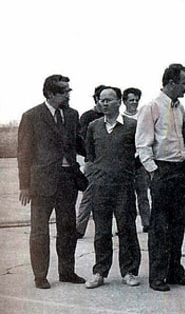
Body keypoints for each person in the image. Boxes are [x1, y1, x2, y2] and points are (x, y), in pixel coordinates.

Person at [17, 74, 86, 289]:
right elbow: (24, 153)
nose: (68, 94)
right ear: (51, 94)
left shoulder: (73, 115)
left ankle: (67, 272)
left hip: (68, 180)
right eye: (65, 91)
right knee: (40, 231)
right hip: (41, 183)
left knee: (67, 228)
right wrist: (25, 185)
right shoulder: (31, 116)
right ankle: (40, 275)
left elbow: (79, 144)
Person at [135, 63, 185, 292]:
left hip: (180, 170)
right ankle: (157, 276)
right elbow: (142, 145)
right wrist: (154, 171)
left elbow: (179, 139)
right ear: (171, 83)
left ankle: (175, 271)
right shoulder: (151, 107)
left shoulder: (180, 107)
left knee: (178, 224)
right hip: (162, 171)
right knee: (159, 226)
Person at [83, 86, 141, 289]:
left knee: (126, 228)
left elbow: (140, 154)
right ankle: (99, 272)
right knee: (101, 231)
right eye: (101, 100)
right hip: (100, 187)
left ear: (119, 101)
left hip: (124, 186)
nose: (104, 103)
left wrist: (126, 171)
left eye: (109, 99)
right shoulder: (93, 126)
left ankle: (130, 271)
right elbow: (90, 155)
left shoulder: (132, 126)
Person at [75, 85, 107, 239]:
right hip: (93, 163)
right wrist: (90, 155)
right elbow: (80, 140)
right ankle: (79, 229)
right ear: (96, 99)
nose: (105, 103)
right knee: (88, 195)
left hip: (110, 163)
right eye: (102, 99)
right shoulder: (87, 117)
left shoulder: (113, 117)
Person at [122, 87, 150, 233]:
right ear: (124, 101)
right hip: (125, 162)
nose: (134, 102)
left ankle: (147, 223)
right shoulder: (120, 118)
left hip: (140, 161)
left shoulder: (143, 116)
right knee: (126, 197)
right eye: (131, 100)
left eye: (136, 100)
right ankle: (127, 224)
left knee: (143, 194)